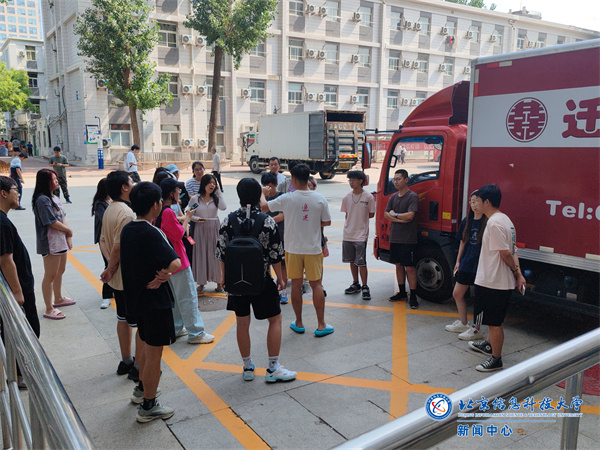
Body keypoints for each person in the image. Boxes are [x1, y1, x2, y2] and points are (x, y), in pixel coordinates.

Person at [216, 178, 296, 383]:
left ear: (239, 195)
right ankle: (273, 368)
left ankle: (247, 367)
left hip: (236, 282)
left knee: (242, 323)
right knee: (275, 319)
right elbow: (276, 254)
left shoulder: (228, 220)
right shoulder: (267, 221)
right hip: (262, 279)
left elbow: (222, 254)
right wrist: (280, 278)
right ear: (258, 195)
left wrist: (224, 277)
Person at [120, 181, 181, 422]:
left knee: (145, 344)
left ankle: (141, 389)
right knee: (155, 354)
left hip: (137, 300)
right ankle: (148, 405)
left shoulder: (128, 229)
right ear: (156, 205)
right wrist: (166, 272)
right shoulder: (152, 231)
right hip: (156, 303)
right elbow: (175, 262)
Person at [261, 163, 333, 337]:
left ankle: (299, 323)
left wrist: (262, 193)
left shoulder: (288, 198)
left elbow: (264, 207)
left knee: (296, 284)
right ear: (308, 178)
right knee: (316, 284)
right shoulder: (319, 198)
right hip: (313, 248)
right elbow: (327, 222)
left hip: (293, 249)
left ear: (293, 179)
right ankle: (321, 324)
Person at [468, 184, 526, 372]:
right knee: (492, 320)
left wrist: (516, 272)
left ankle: (496, 358)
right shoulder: (506, 220)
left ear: (487, 202)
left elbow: (505, 253)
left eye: (478, 200)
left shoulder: (493, 223)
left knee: (494, 323)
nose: (475, 204)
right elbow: (513, 250)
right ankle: (488, 344)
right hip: (497, 281)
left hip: (493, 281)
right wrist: (518, 273)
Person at [156, 178, 215, 344]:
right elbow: (179, 234)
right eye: (177, 191)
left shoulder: (160, 211)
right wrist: (188, 217)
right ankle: (196, 332)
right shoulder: (168, 212)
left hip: (168, 261)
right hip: (178, 260)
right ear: (171, 193)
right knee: (188, 297)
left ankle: (177, 327)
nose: (179, 194)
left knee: (176, 297)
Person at [99, 171, 140, 381]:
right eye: (131, 182)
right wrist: (112, 267)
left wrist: (110, 266)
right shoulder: (127, 213)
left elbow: (102, 241)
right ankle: (138, 367)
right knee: (140, 323)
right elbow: (117, 246)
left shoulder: (110, 209)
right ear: (124, 187)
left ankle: (126, 361)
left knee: (122, 318)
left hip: (117, 278)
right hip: (128, 278)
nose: (133, 185)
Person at [32, 169, 75, 320]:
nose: (57, 181)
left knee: (60, 270)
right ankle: (49, 308)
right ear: (46, 182)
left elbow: (63, 217)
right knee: (50, 275)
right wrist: (68, 230)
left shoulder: (55, 197)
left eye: (57, 179)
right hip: (50, 242)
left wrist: (68, 235)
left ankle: (58, 298)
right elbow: (50, 221)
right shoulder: (42, 200)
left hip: (60, 240)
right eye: (54, 179)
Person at [0, 176, 40, 337]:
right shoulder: (2, 223)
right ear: (3, 193)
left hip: (16, 287)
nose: (18, 194)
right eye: (15, 190)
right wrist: (17, 292)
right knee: (29, 332)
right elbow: (5, 260)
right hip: (17, 289)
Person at [445, 191, 487, 340]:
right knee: (457, 293)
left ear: (484, 203)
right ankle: (463, 323)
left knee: (479, 299)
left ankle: (476, 329)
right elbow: (462, 241)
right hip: (467, 263)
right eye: (472, 202)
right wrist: (458, 261)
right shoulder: (467, 221)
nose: (474, 205)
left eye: (477, 201)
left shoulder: (488, 222)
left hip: (481, 265)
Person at [384, 169, 419, 309]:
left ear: (406, 180)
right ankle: (402, 292)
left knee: (409, 267)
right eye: (394, 179)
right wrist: (399, 219)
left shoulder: (412, 196)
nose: (396, 182)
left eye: (398, 179)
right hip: (395, 237)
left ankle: (413, 296)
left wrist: (396, 214)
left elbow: (410, 215)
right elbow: (386, 214)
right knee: (398, 265)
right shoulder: (393, 197)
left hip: (408, 238)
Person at [341, 171, 376, 301]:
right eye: (349, 180)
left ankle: (365, 286)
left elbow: (371, 214)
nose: (351, 182)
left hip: (361, 234)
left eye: (353, 180)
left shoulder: (368, 197)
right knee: (351, 260)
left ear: (361, 181)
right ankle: (356, 283)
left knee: (361, 262)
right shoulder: (347, 197)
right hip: (348, 234)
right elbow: (346, 214)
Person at [190, 174, 227, 293]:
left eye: (214, 183)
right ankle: (201, 283)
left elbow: (223, 207)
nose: (212, 185)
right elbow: (190, 214)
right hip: (200, 228)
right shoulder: (196, 199)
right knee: (201, 253)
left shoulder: (215, 198)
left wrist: (219, 192)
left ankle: (219, 282)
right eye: (210, 183)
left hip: (214, 228)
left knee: (215, 254)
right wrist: (196, 219)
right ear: (204, 184)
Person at [261, 172, 288, 304]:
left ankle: (283, 291)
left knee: (282, 265)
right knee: (266, 265)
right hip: (265, 237)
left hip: (280, 235)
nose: (269, 189)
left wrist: (267, 221)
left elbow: (282, 216)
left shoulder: (281, 197)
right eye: (265, 186)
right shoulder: (261, 198)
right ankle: (269, 290)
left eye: (271, 186)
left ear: (276, 184)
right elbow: (260, 211)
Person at [92, 178, 114, 309]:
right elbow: (104, 220)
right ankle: (106, 296)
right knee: (109, 265)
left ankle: (112, 290)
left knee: (113, 265)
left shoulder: (109, 201)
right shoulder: (100, 204)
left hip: (111, 239)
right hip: (105, 240)